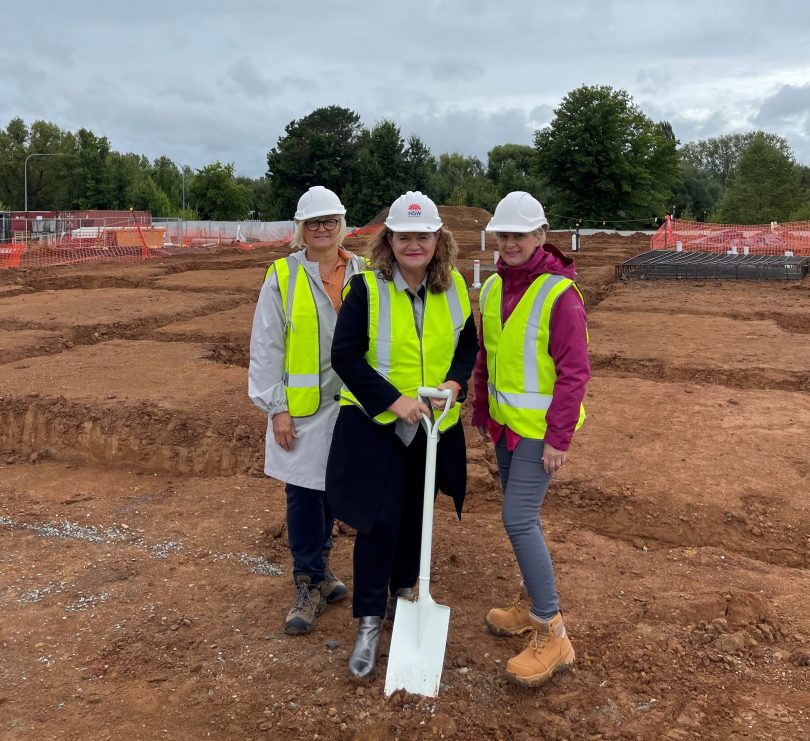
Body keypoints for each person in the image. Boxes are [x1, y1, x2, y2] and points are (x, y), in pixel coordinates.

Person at [326, 191, 478, 680]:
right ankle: (370, 621)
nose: (415, 245)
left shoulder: (453, 286)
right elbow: (345, 357)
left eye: (424, 236)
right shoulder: (366, 290)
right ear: (388, 240)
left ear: (439, 239)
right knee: (379, 522)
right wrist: (395, 402)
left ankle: (404, 597)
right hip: (378, 427)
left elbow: (466, 346)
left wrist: (454, 384)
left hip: (434, 429)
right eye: (404, 236)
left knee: (416, 519)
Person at [471, 191, 590, 687]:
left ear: (541, 236)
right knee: (520, 517)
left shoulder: (559, 295)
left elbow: (574, 372)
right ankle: (528, 601)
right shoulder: (496, 288)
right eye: (504, 235)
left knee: (517, 519)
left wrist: (559, 437)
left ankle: (552, 630)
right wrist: (481, 409)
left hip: (542, 432)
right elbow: (487, 355)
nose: (510, 242)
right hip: (505, 425)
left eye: (519, 234)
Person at [248, 186, 367, 635]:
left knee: (333, 491)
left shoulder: (364, 271)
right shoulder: (282, 276)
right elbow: (266, 345)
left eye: (330, 221)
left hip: (350, 406)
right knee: (302, 494)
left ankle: (323, 570)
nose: (322, 229)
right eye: (314, 223)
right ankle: (307, 580)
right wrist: (276, 407)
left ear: (341, 225)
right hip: (299, 410)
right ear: (302, 228)